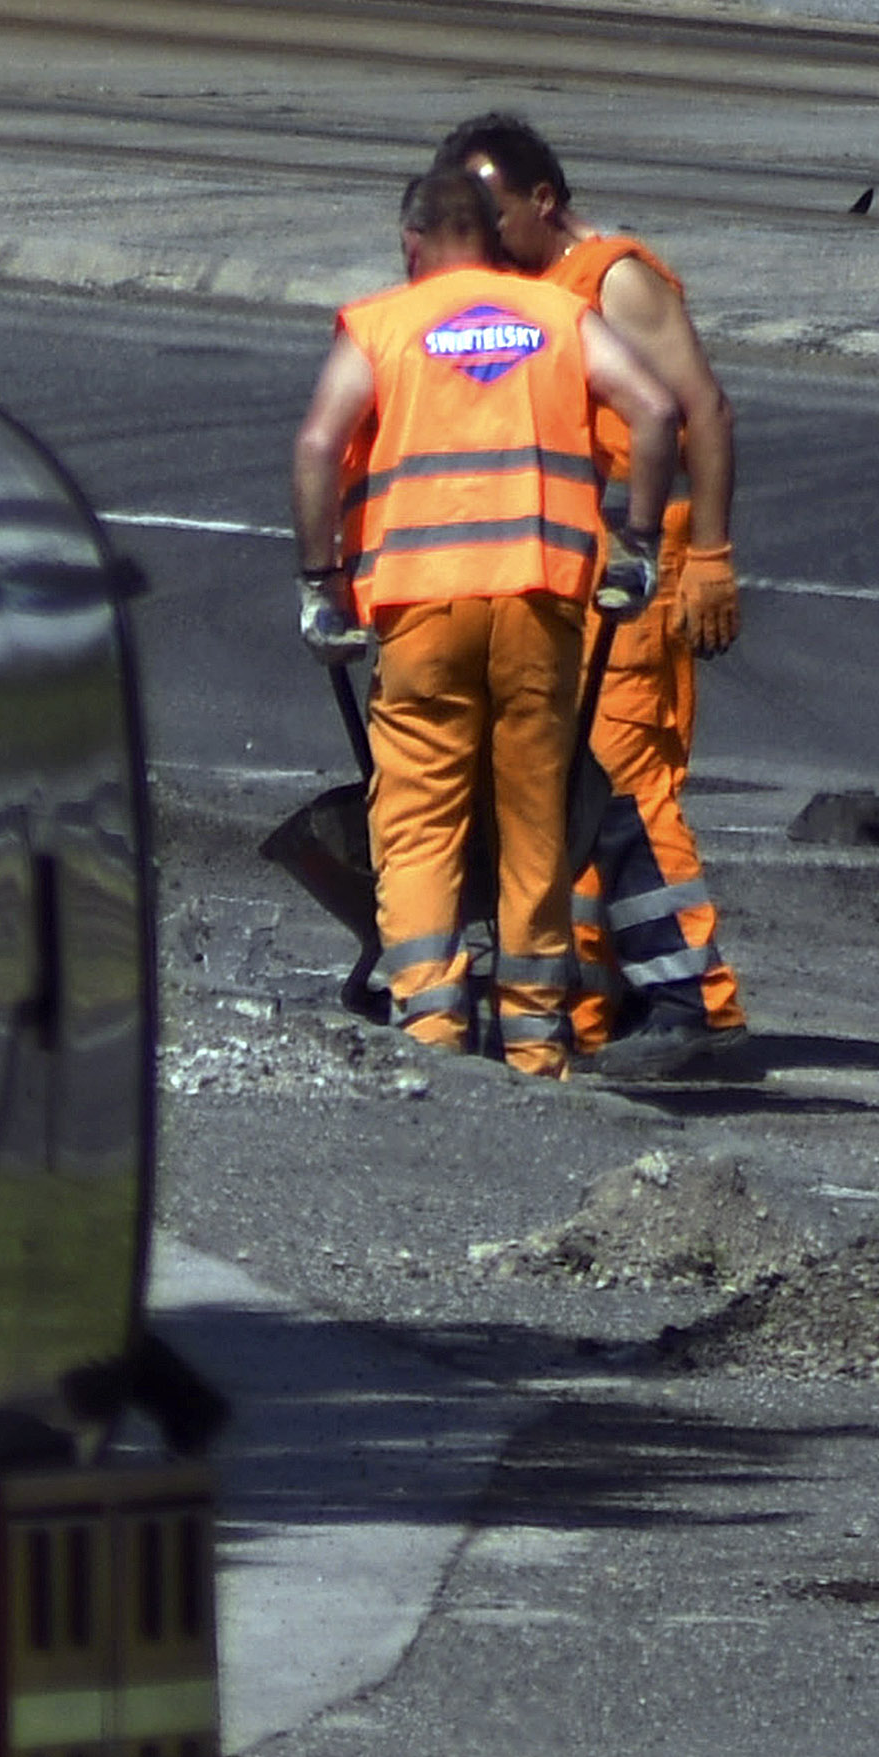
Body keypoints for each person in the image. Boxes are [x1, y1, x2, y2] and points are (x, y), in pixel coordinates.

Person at [291, 171, 677, 1078]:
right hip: (541, 604)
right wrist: (639, 544)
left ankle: (432, 1032)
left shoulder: (382, 323)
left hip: (420, 608)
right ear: (491, 238)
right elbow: (656, 412)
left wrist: (320, 582)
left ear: (412, 241)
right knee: (536, 819)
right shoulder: (555, 314)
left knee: (419, 819)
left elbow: (316, 445)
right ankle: (538, 1042)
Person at [438, 113, 749, 1071]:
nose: (485, 235)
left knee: (622, 783)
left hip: (634, 561)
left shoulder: (613, 277)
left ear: (543, 200)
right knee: (558, 785)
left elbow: (701, 408)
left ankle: (694, 1004)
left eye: (496, 214)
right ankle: (584, 1005)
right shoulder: (518, 291)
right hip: (566, 565)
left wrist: (707, 554)